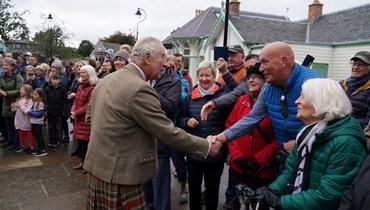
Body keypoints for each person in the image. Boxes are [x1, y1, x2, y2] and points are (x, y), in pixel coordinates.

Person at [83, 36, 222, 210]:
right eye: (162, 57)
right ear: (147, 58)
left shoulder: (106, 80)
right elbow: (166, 131)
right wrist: (207, 146)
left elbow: (90, 118)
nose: (166, 63)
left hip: (97, 170)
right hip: (121, 175)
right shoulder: (140, 88)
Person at [251, 78, 368, 210]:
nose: (297, 101)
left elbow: (329, 197)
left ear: (321, 101)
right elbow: (291, 170)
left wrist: (279, 201)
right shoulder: (307, 131)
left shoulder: (347, 143)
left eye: (303, 96)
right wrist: (272, 191)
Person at [177, 60, 229, 210]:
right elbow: (179, 119)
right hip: (194, 152)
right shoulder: (190, 96)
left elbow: (230, 123)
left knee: (212, 190)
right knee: (194, 188)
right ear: (197, 76)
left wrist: (227, 150)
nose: (204, 79)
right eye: (201, 75)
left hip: (215, 153)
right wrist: (186, 122)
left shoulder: (223, 95)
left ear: (214, 76)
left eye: (208, 75)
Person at [226, 63, 279, 210]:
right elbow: (231, 128)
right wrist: (236, 156)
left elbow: (280, 137)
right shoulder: (241, 100)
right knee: (236, 203)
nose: (251, 80)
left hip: (262, 168)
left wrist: (261, 158)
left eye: (256, 77)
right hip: (239, 166)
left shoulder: (274, 104)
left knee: (259, 205)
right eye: (249, 77)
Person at [143, 57, 181, 210]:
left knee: (161, 192)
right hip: (142, 142)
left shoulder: (174, 81)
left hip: (160, 144)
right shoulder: (144, 77)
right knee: (146, 193)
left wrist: (148, 90)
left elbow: (170, 107)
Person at [70, 65, 98, 174]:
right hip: (78, 117)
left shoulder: (93, 87)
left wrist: (76, 113)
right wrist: (73, 111)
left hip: (86, 118)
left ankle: (87, 164)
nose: (81, 74)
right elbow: (76, 100)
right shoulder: (80, 85)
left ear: (90, 73)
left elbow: (89, 105)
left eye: (83, 72)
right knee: (81, 142)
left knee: (86, 142)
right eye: (80, 72)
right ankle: (83, 162)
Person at [340, 51, 370, 129]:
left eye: (360, 65)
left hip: (356, 134)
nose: (355, 67)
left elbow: (368, 123)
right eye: (354, 64)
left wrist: (345, 123)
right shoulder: (343, 84)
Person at [0, 58, 22, 150]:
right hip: (5, 101)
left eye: (7, 65)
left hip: (14, 101)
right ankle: (10, 139)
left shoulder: (17, 76)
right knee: (8, 122)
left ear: (12, 66)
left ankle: (16, 142)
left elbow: (18, 90)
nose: (4, 67)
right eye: (4, 65)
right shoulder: (2, 75)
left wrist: (7, 93)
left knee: (15, 123)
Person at [68, 60, 88, 157]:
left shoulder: (87, 82)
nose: (79, 68)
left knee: (82, 132)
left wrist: (74, 94)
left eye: (81, 66)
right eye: (77, 66)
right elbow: (72, 88)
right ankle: (79, 149)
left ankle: (82, 152)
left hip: (82, 108)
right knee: (76, 128)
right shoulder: (76, 79)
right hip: (75, 105)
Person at [44, 72, 68, 148]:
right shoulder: (47, 89)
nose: (55, 81)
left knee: (58, 127)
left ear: (59, 80)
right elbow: (45, 100)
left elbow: (65, 101)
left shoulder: (63, 89)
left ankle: (58, 140)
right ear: (50, 80)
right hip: (50, 111)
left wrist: (64, 112)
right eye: (53, 79)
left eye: (57, 79)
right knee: (50, 127)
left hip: (59, 111)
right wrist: (46, 110)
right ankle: (51, 140)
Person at [12, 84, 34, 153]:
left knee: (28, 132)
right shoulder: (20, 99)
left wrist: (20, 106)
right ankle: (22, 145)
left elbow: (27, 111)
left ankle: (31, 146)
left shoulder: (30, 101)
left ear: (27, 92)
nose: (20, 91)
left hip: (25, 119)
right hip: (19, 118)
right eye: (20, 90)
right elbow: (15, 110)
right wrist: (14, 106)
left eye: (22, 90)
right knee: (20, 131)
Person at [28, 88, 47, 156]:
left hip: (38, 122)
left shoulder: (41, 103)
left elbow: (39, 114)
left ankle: (42, 149)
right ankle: (39, 148)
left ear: (40, 96)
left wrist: (30, 112)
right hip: (34, 122)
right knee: (36, 135)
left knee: (39, 136)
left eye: (35, 95)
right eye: (33, 94)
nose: (33, 96)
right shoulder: (35, 102)